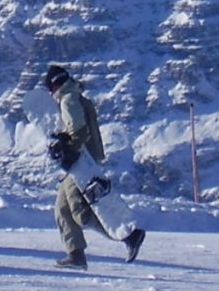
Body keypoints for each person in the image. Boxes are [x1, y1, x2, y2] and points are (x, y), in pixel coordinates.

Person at [45, 64, 146, 269]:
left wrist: (69, 149)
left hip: (81, 163)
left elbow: (80, 132)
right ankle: (75, 255)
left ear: (54, 86)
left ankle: (129, 236)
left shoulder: (68, 100)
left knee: (80, 212)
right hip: (83, 161)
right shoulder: (78, 98)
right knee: (61, 209)